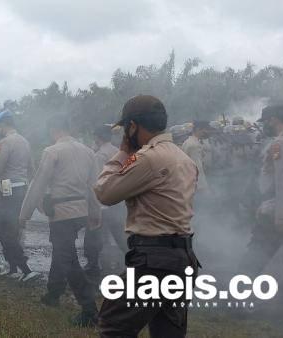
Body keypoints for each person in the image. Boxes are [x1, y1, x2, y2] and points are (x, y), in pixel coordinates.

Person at [93, 95, 199, 338]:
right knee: (167, 332)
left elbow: (104, 192)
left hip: (154, 262)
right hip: (182, 258)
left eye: (126, 129)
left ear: (132, 126)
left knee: (114, 325)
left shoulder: (148, 158)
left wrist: (121, 154)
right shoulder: (184, 158)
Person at [18, 116, 99, 326]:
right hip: (80, 211)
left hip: (62, 213)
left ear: (54, 130)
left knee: (69, 261)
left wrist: (24, 214)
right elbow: (94, 186)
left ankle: (90, 309)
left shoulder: (52, 151)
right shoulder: (88, 152)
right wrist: (94, 213)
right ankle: (53, 295)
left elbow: (38, 183)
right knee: (63, 252)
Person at [240, 104, 283, 299]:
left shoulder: (281, 143)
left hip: (280, 208)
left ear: (274, 119)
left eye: (267, 121)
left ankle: (236, 296)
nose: (265, 125)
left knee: (254, 258)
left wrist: (281, 216)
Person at [0, 110, 38, 282]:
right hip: (21, 190)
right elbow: (32, 168)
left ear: (2, 125)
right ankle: (12, 269)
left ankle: (26, 270)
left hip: (8, 192)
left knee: (5, 233)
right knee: (13, 231)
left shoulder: (5, 142)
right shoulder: (25, 142)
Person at [83, 125, 127, 284]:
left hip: (103, 201)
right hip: (118, 198)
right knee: (119, 232)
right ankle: (133, 259)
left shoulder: (100, 155)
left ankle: (93, 265)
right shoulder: (118, 151)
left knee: (93, 234)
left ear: (97, 137)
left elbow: (96, 180)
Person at [181, 121, 211, 192]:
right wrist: (203, 186)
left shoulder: (188, 142)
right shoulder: (194, 145)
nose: (206, 132)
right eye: (205, 129)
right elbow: (198, 168)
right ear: (198, 129)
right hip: (197, 186)